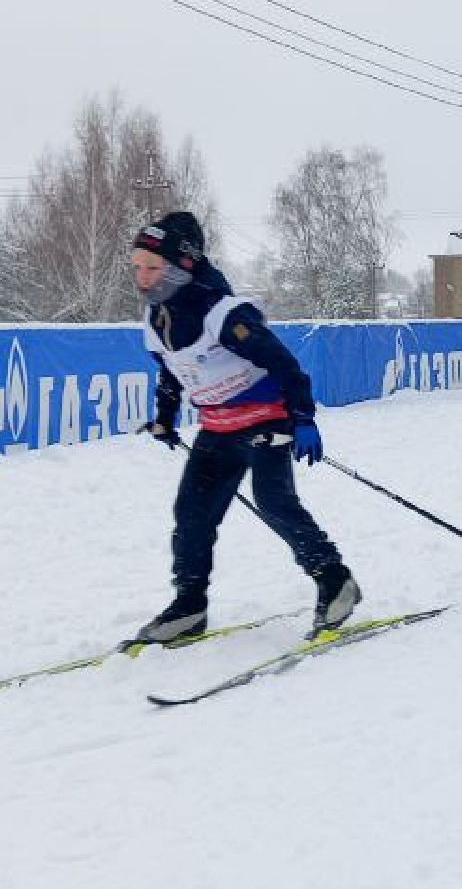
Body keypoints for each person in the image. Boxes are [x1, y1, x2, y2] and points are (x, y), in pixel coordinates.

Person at [130, 210, 358, 645]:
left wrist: (303, 418)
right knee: (192, 515)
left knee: (274, 503)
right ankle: (189, 606)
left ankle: (335, 580)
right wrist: (164, 418)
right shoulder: (155, 322)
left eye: (153, 267)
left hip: (267, 421)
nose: (142, 277)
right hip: (217, 428)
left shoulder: (223, 314)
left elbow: (283, 363)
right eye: (137, 267)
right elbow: (169, 371)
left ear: (183, 266)